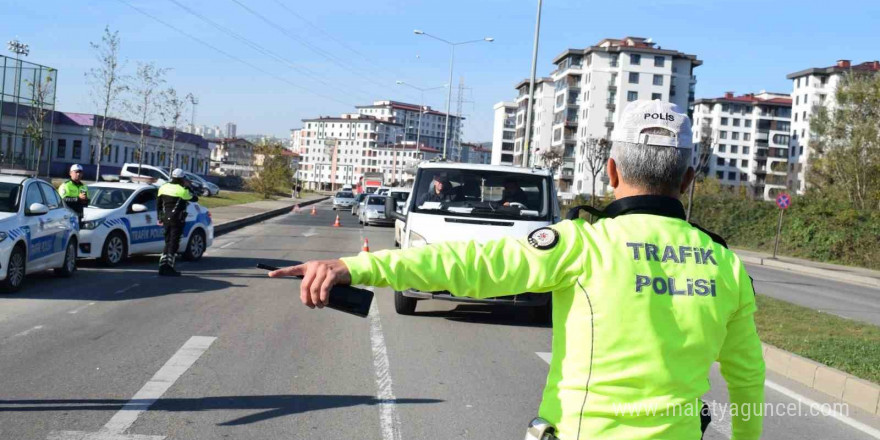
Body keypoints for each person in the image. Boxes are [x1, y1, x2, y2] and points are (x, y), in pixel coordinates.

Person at [268, 100, 765, 440]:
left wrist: (355, 267)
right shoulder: (727, 266)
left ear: (611, 171)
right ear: (688, 178)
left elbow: (467, 262)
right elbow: (747, 380)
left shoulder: (582, 245)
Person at [157, 168, 198, 276]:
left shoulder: (163, 187)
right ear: (182, 178)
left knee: (167, 241)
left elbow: (159, 205)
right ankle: (169, 267)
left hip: (166, 218)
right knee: (174, 243)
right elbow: (194, 198)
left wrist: (159, 218)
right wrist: (189, 186)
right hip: (177, 218)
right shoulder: (182, 190)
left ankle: (162, 266)